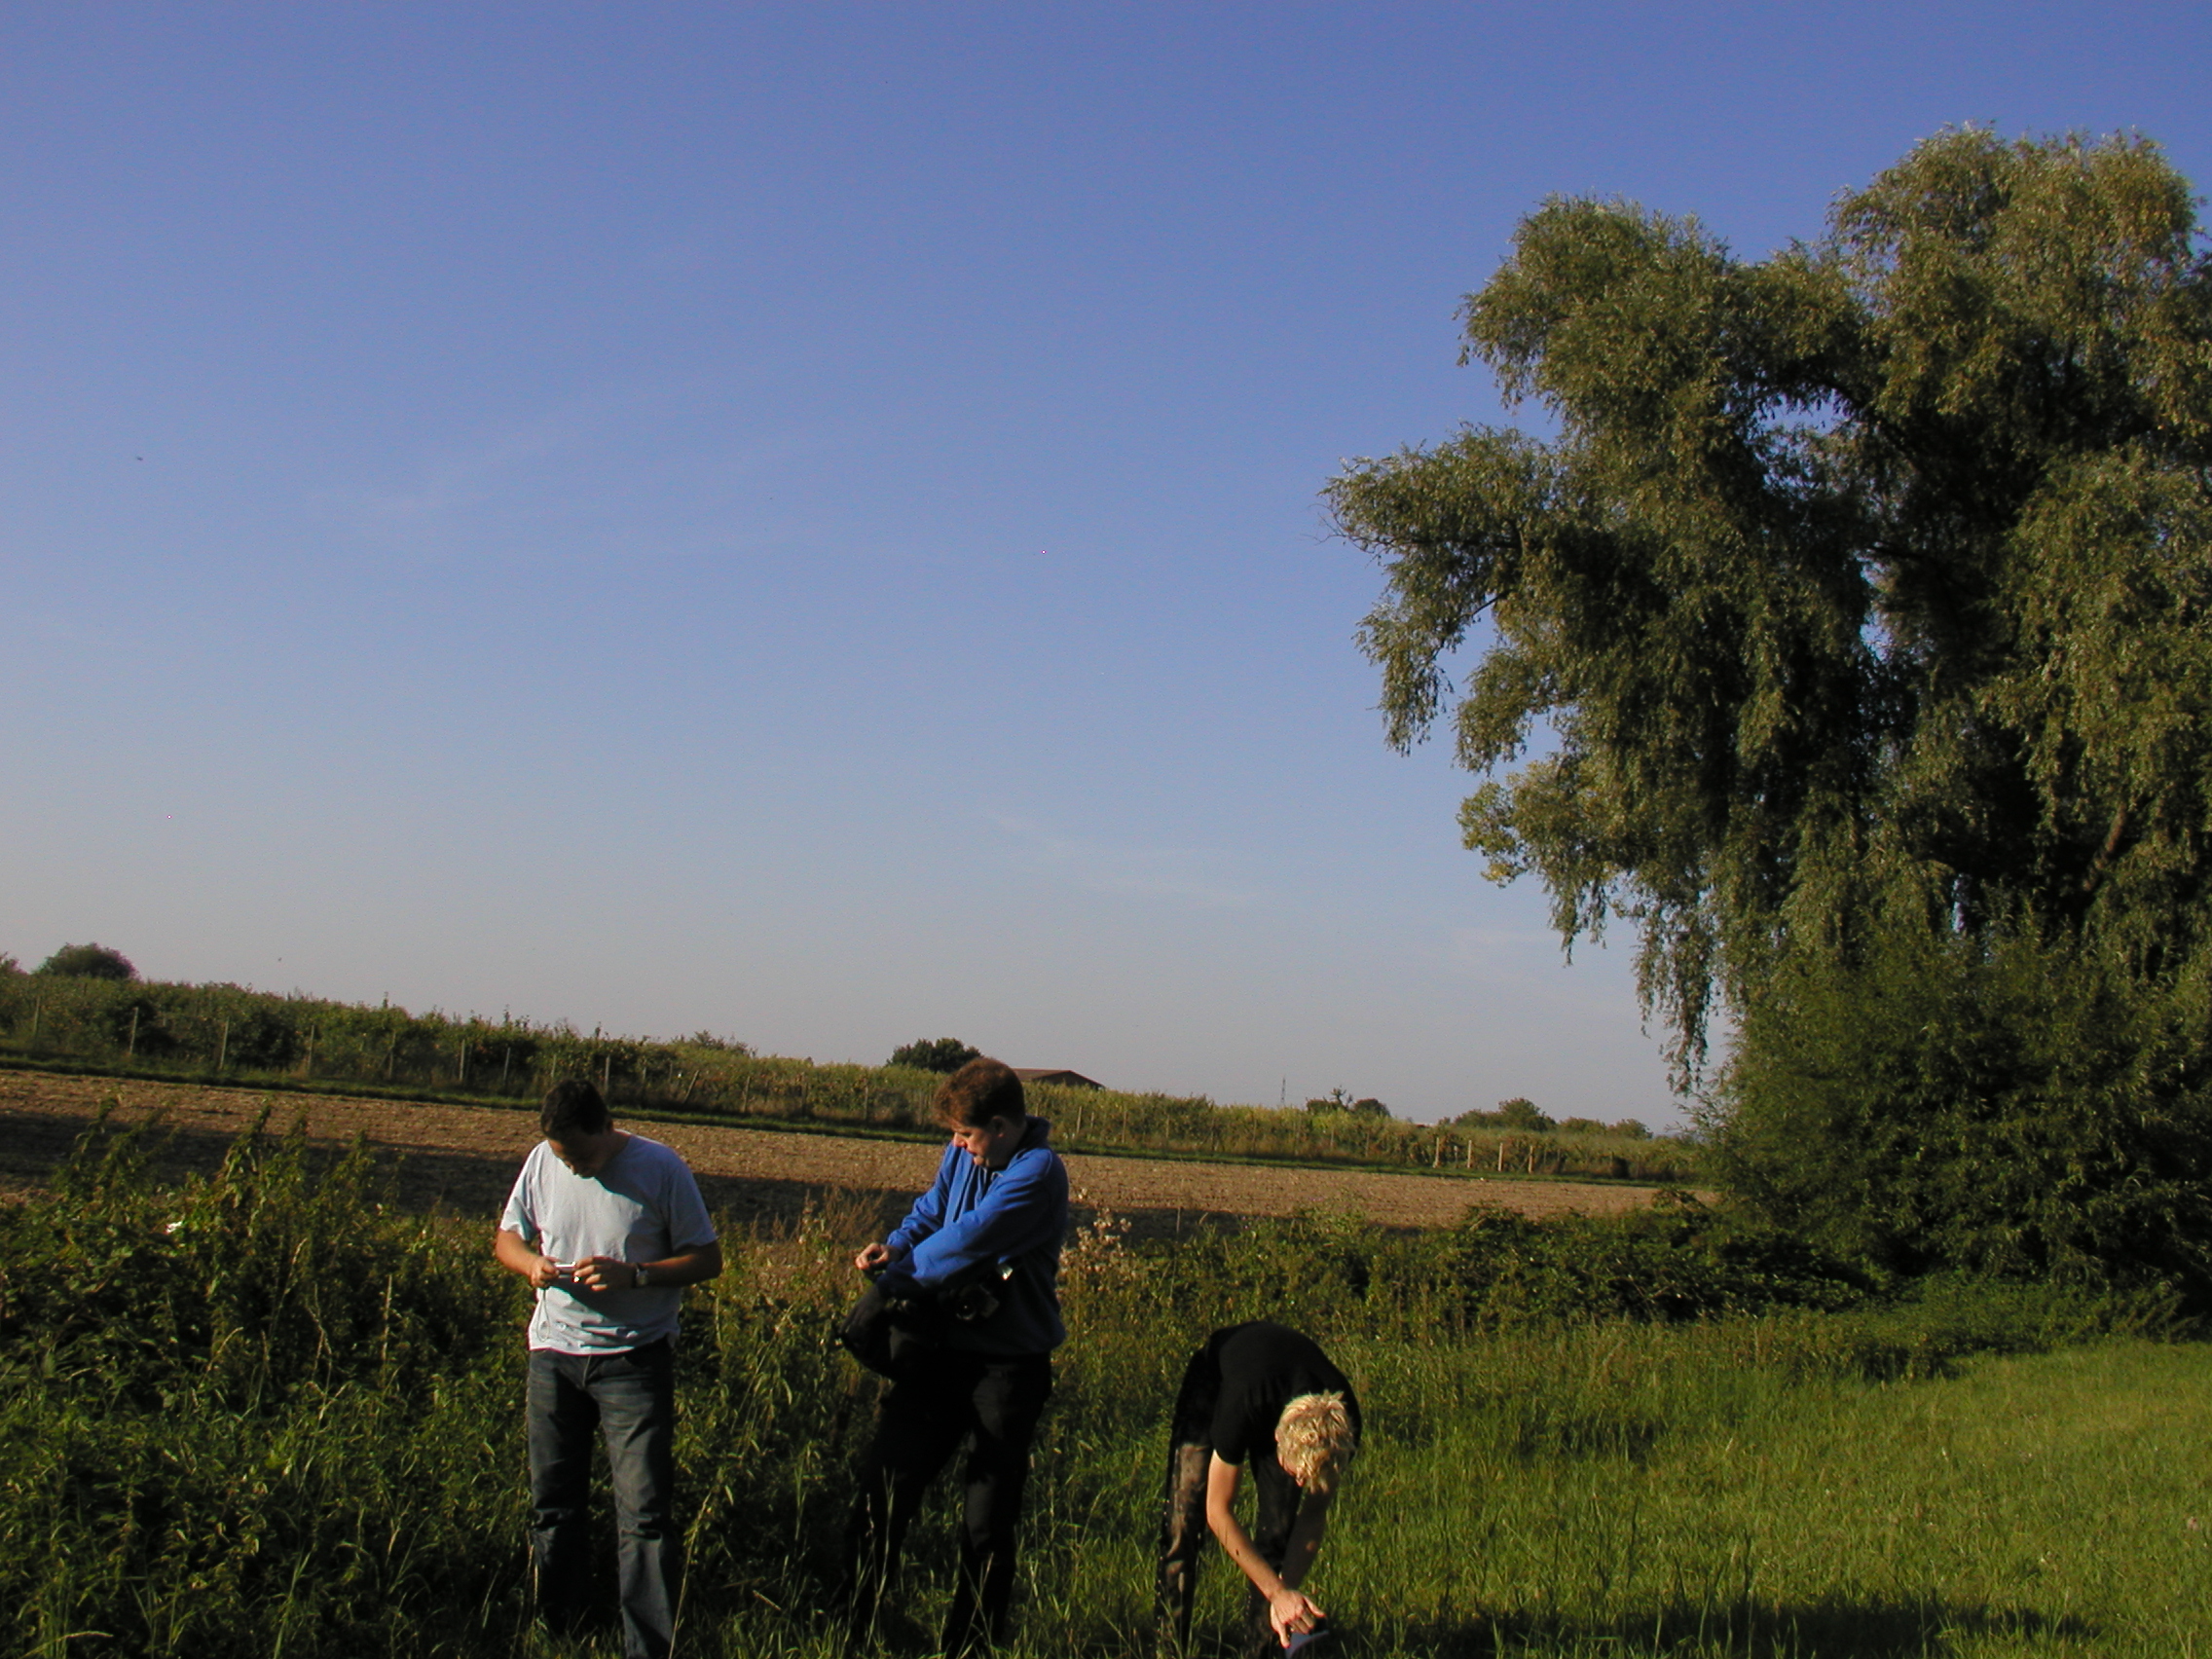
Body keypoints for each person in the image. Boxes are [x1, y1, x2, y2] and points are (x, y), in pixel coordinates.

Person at [842, 1056, 1069, 1657]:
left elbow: (968, 1240)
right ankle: (852, 1629)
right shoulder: (963, 1155)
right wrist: (895, 1248)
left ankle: (969, 1646)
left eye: (966, 1134)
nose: (958, 1146)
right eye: (954, 1135)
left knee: (986, 1522)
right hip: (941, 1355)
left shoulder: (1037, 1173)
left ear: (1001, 1127)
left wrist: (889, 1290)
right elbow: (935, 1210)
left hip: (1008, 1369)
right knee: (884, 1488)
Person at [495, 1079, 724, 1659]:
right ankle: (559, 1629)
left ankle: (647, 1646)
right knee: (553, 1504)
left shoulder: (660, 1167)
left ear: (607, 1127)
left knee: (644, 1515)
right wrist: (530, 1265)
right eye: (563, 1156)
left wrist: (637, 1276)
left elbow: (707, 1258)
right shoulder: (542, 1161)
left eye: (580, 1154)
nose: (572, 1166)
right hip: (553, 1356)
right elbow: (506, 1239)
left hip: (634, 1360)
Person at [1158, 1322, 1362, 1659]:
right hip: (1219, 1377)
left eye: (1306, 1479)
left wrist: (1285, 1592)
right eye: (1297, 1475)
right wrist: (1277, 1592)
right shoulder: (1243, 1404)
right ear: (1278, 1441)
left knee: (1278, 1533)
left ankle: (1260, 1651)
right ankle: (1169, 1649)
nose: (1301, 1485)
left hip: (1282, 1395)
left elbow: (1312, 1517)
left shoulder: (1342, 1430)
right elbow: (1218, 1511)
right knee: (1183, 1520)